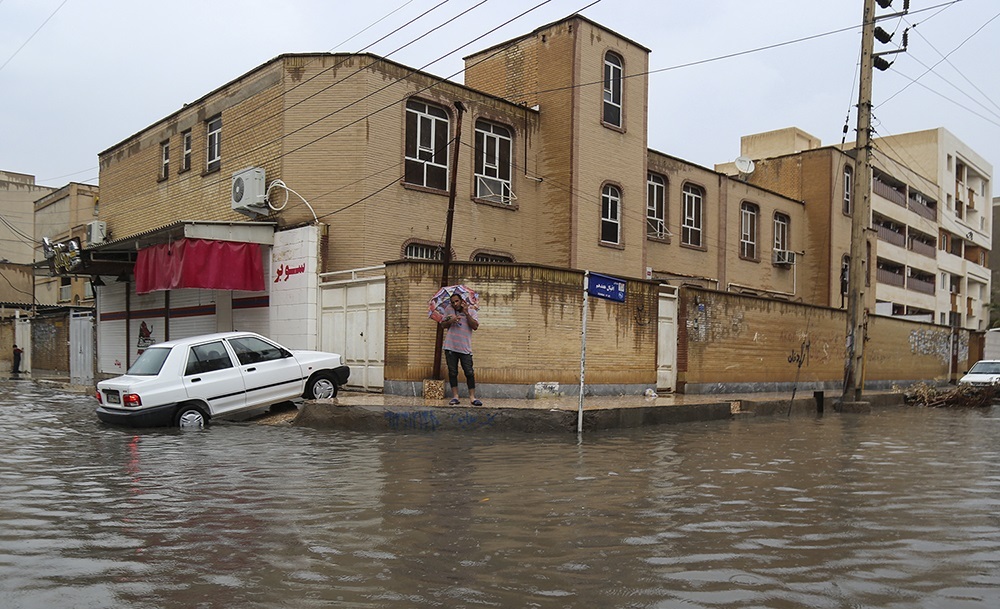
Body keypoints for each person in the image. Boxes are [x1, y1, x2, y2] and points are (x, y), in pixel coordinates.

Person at [440, 293, 481, 406]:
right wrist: (451, 320)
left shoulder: (471, 310)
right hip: (450, 347)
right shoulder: (449, 309)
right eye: (452, 302)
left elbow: (475, 326)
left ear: (462, 301)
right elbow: (443, 325)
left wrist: (466, 313)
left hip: (465, 348)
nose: (454, 304)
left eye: (456, 301)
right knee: (453, 372)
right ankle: (455, 397)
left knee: (469, 372)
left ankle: (472, 397)